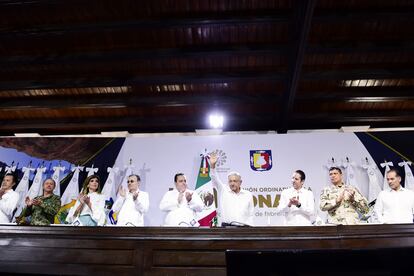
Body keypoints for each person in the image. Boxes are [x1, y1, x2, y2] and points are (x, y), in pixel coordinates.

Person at [209, 154, 254, 226]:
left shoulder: (248, 194)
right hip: (227, 228)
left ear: (240, 182)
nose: (232, 183)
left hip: (244, 229)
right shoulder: (223, 190)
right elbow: (214, 178)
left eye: (235, 181)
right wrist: (212, 166)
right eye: (230, 181)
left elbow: (251, 214)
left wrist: (251, 228)